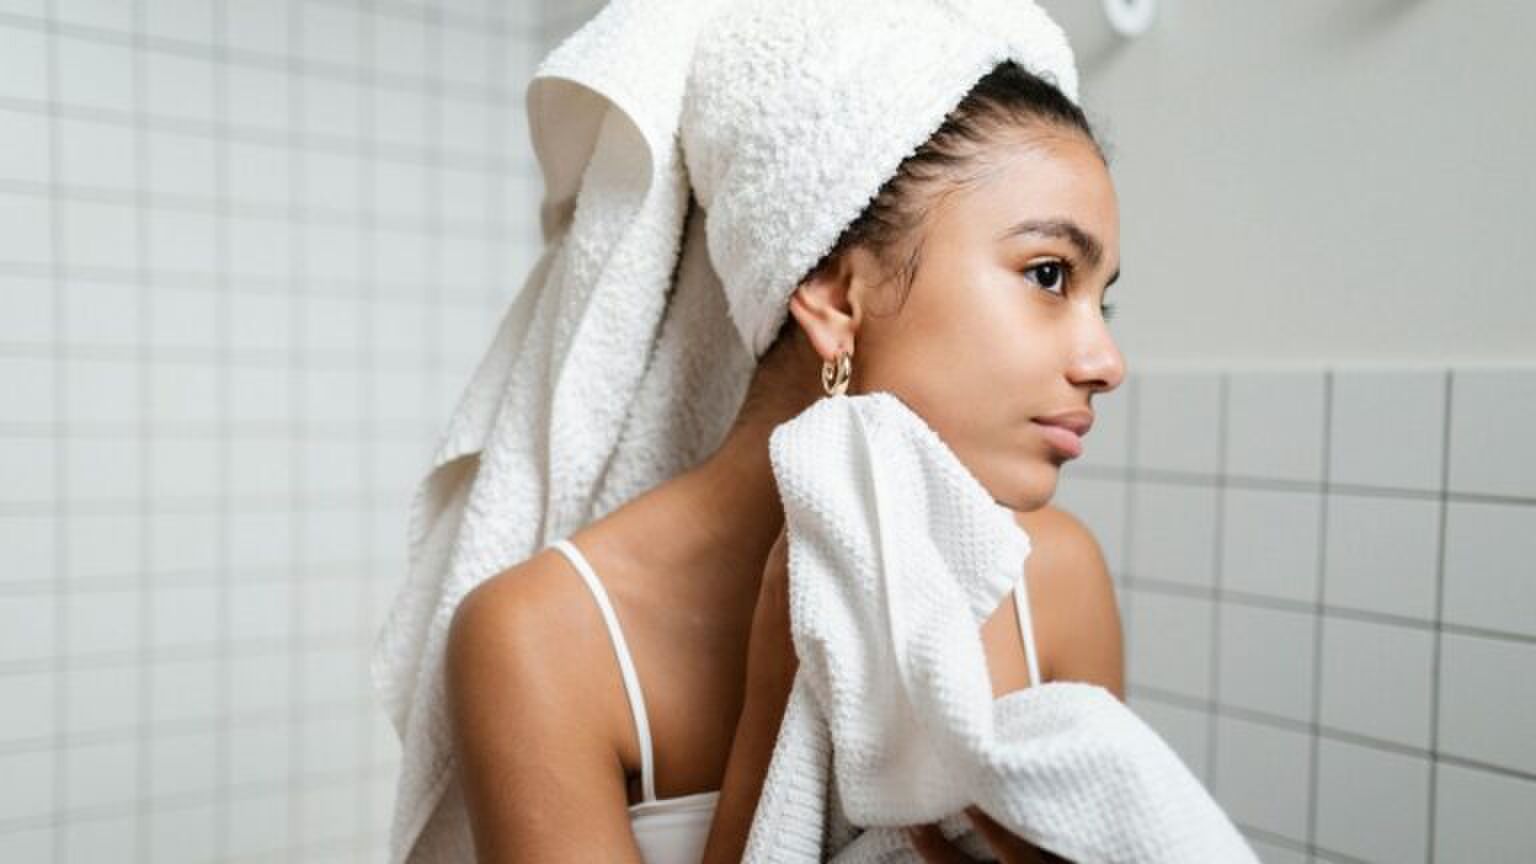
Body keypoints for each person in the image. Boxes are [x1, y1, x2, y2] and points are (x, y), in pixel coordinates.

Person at [444, 59, 1126, 864]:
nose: (1106, 361)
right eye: (1048, 275)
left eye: (1102, 298)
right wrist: (778, 699)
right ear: (839, 301)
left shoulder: (1057, 577)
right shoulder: (541, 638)